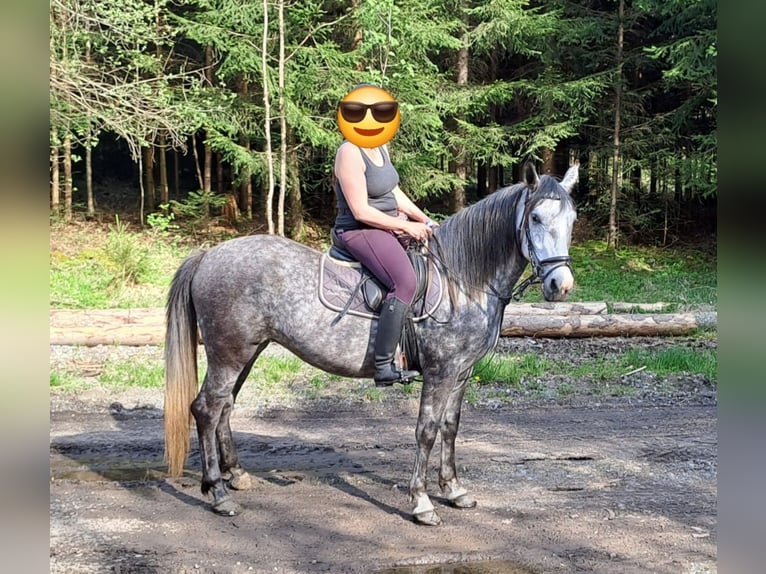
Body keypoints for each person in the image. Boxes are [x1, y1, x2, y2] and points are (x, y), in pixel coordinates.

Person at [332, 125, 436, 386]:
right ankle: (383, 365)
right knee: (405, 282)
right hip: (359, 230)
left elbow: (393, 193)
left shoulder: (380, 146)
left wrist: (426, 220)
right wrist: (405, 226)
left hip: (387, 224)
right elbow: (360, 211)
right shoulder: (349, 151)